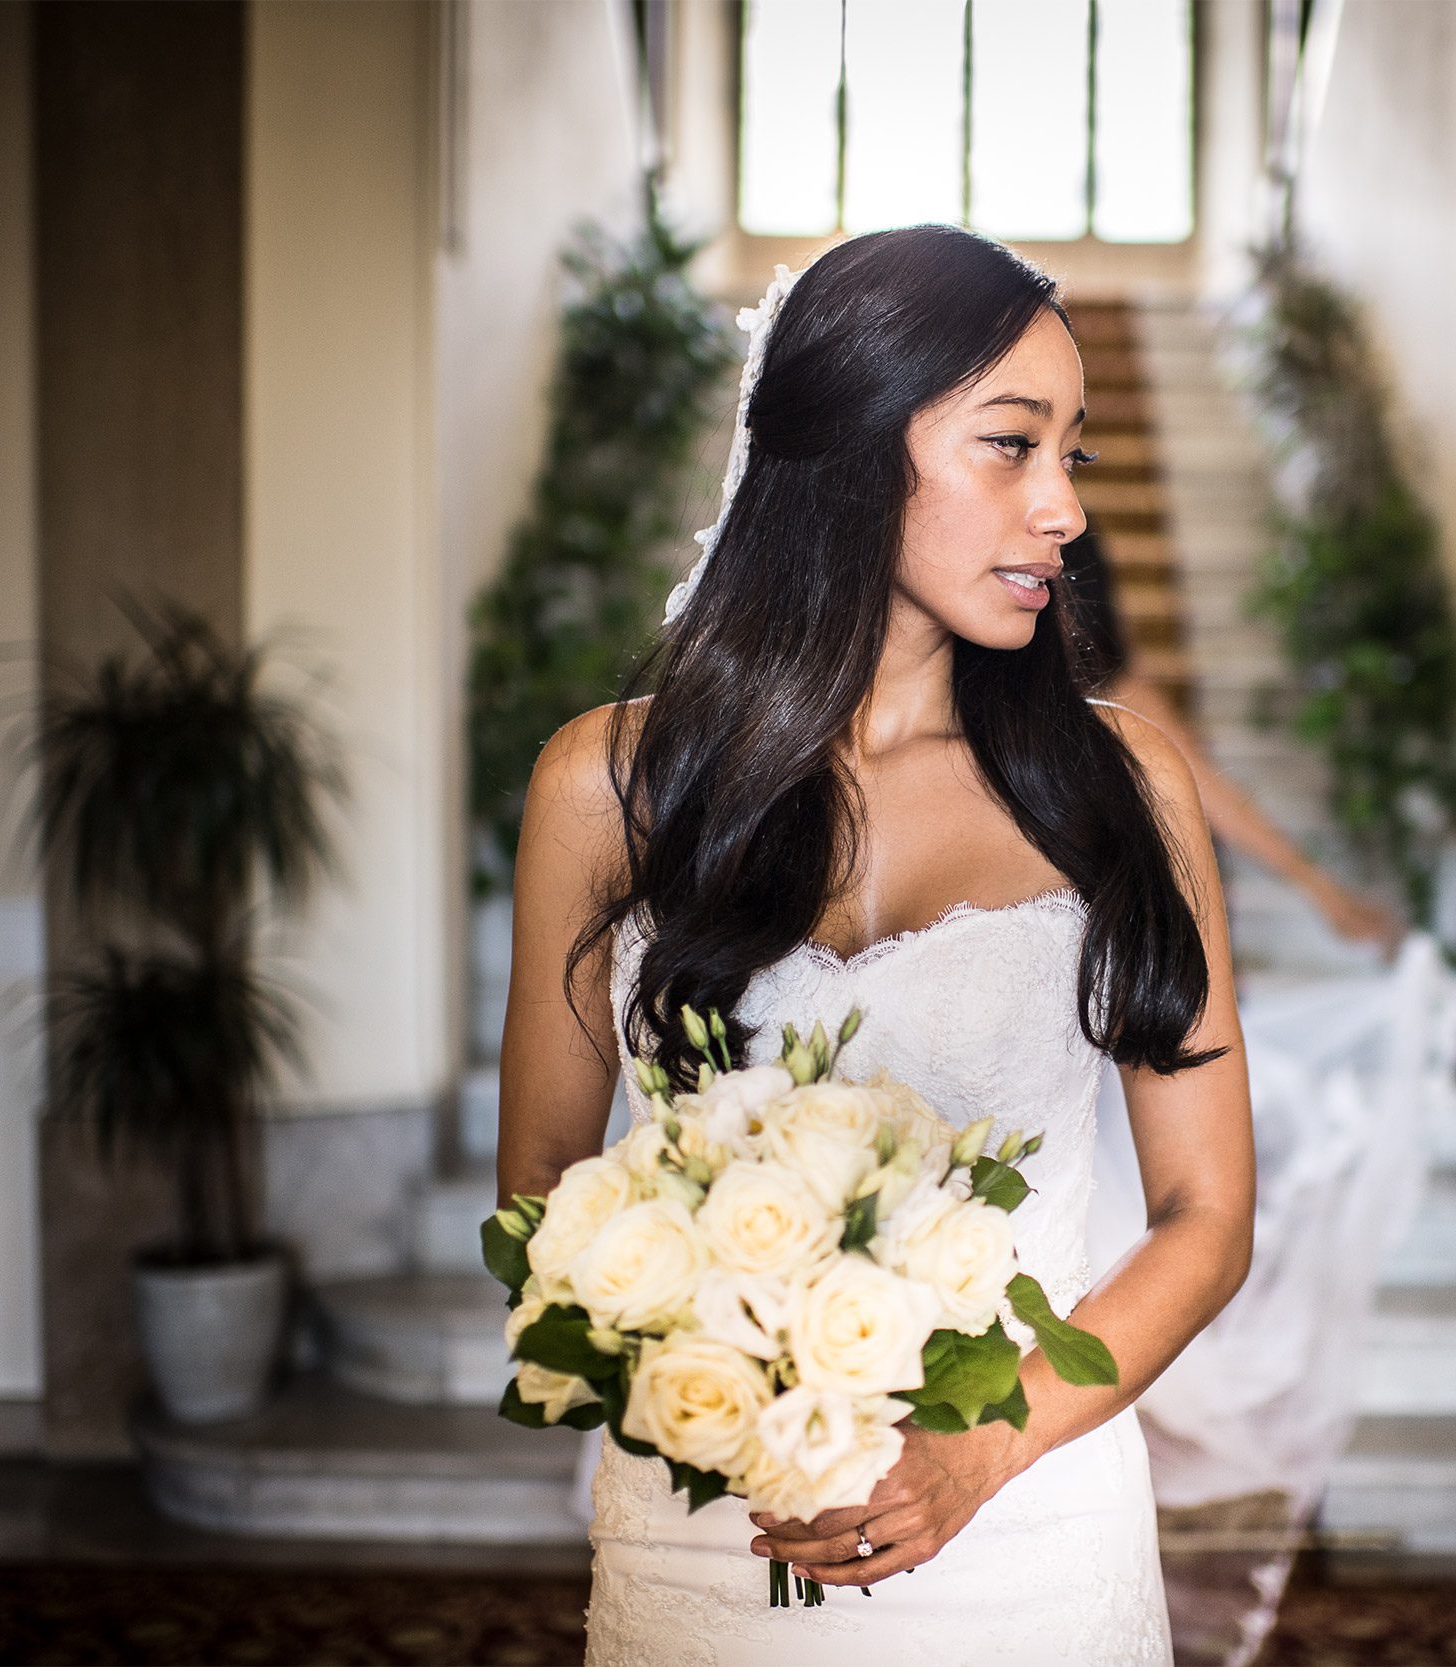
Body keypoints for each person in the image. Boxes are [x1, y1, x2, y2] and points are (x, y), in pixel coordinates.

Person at [497, 225, 1255, 1667]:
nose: (1065, 511)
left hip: (1030, 1530)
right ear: (852, 444)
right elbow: (538, 1193)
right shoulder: (604, 786)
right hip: (711, 1523)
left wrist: (981, 1449)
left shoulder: (1125, 787)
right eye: (1011, 446)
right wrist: (732, 1377)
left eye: (1073, 455)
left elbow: (1208, 1214)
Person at [1059, 530, 1407, 955]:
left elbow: (1190, 770)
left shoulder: (1077, 559)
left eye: (1074, 462)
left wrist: (1320, 889)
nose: (1058, 508)